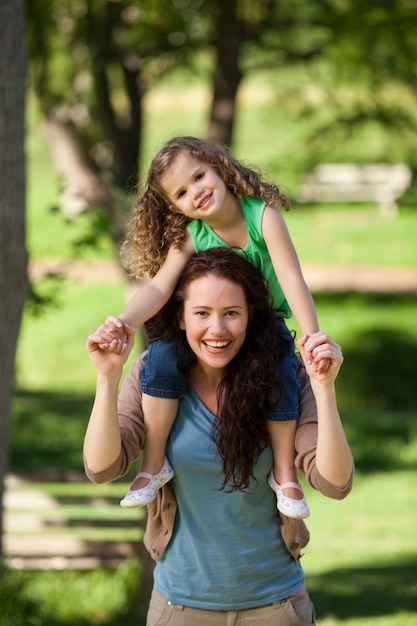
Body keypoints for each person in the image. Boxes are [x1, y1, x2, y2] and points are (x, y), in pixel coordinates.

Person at [84, 248, 354, 626]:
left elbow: (336, 482)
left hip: (275, 607)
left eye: (231, 313)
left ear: (251, 316)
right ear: (180, 316)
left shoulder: (284, 379)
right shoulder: (154, 378)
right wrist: (107, 377)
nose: (217, 329)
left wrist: (324, 388)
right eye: (201, 313)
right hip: (178, 608)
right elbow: (102, 468)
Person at [100, 136, 327, 517]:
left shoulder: (262, 217)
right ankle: (153, 463)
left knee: (283, 367)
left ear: (219, 167)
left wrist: (311, 336)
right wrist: (123, 322)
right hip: (214, 331)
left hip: (263, 323)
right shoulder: (192, 236)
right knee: (161, 356)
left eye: (199, 176)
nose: (197, 192)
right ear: (174, 207)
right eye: (182, 192)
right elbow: (159, 286)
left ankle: (285, 472)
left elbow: (291, 279)